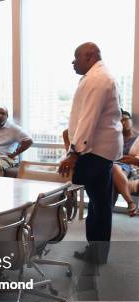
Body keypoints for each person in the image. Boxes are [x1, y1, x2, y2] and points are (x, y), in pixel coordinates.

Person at [59, 42, 123, 265]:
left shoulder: (98, 79)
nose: (73, 62)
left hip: (95, 152)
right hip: (99, 150)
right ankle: (96, 252)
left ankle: (96, 252)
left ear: (90, 56)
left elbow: (89, 119)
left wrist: (74, 153)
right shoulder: (97, 76)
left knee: (96, 201)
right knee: (99, 202)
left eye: (76, 58)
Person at [0, 107, 33, 176]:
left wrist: (15, 154)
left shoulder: (13, 129)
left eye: (3, 113)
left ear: (7, 116)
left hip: (4, 158)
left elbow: (29, 141)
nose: (0, 115)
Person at [110, 110, 138, 216]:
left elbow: (136, 160)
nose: (123, 123)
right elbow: (110, 155)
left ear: (131, 120)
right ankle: (130, 203)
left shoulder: (137, 138)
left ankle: (129, 203)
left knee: (114, 167)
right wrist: (128, 157)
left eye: (125, 119)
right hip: (113, 167)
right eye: (120, 121)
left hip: (129, 167)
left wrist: (122, 158)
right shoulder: (114, 138)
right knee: (111, 179)